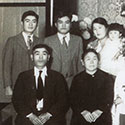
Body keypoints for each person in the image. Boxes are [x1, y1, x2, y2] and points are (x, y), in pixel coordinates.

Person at [12, 44, 69, 125]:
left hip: (51, 117)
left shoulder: (57, 77)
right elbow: (17, 99)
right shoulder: (23, 76)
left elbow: (63, 100)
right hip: (28, 117)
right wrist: (30, 115)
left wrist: (48, 114)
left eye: (44, 54)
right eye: (37, 54)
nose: (41, 57)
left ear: (48, 57)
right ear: (32, 57)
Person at [70, 49, 114, 125]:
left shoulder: (106, 78)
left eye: (94, 59)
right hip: (81, 117)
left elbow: (109, 97)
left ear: (98, 61)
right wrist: (83, 112)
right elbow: (73, 98)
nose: (91, 62)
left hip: (102, 116)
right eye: (88, 59)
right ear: (82, 62)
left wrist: (99, 111)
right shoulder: (77, 78)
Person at [3, 10, 41, 96]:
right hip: (16, 83)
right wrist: (7, 86)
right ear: (21, 23)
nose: (30, 24)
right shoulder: (12, 41)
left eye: (34, 21)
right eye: (27, 21)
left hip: (35, 84)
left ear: (37, 24)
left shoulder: (40, 41)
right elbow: (6, 65)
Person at [44, 11, 83, 89]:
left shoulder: (78, 40)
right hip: (54, 83)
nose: (64, 25)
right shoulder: (48, 41)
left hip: (73, 83)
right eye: (60, 22)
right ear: (56, 24)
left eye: (67, 22)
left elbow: (80, 63)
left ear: (71, 25)